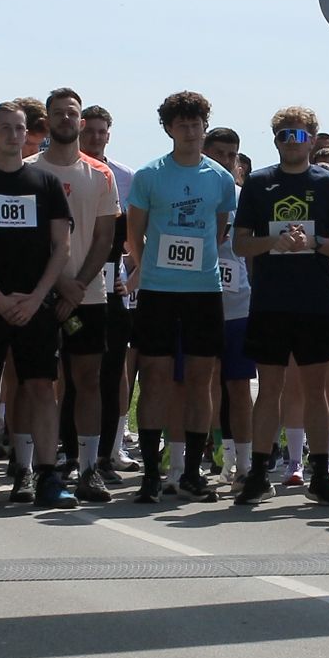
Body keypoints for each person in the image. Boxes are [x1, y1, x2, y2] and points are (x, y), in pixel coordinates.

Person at [232, 105, 329, 505]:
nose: (291, 141)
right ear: (275, 140)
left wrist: (315, 243)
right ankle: (258, 472)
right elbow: (240, 243)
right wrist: (273, 241)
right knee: (270, 389)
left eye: (299, 135)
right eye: (284, 134)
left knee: (317, 390)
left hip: (316, 302)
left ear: (312, 140)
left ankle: (320, 472)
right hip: (270, 301)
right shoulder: (259, 182)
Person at [0, 101, 73, 510]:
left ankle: (47, 475)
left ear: (27, 133)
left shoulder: (46, 183)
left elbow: (61, 247)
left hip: (35, 303)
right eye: (4, 128)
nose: (12, 134)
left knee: (41, 387)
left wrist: (38, 297)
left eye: (18, 128)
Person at [123, 90, 233, 504]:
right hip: (158, 290)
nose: (190, 132)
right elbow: (134, 233)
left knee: (201, 379)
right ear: (169, 129)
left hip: (204, 290)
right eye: (181, 125)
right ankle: (152, 474)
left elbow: (219, 230)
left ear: (205, 126)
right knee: (155, 377)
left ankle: (191, 472)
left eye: (196, 124)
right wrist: (148, 268)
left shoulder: (220, 178)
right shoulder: (150, 175)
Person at [31, 88, 118, 504]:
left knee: (88, 381)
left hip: (89, 295)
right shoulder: (28, 170)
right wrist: (57, 283)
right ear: (46, 120)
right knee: (36, 383)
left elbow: (104, 238)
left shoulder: (100, 174)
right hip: (38, 295)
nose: (65, 118)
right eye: (58, 113)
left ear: (81, 122)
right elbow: (26, 239)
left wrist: (77, 284)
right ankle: (31, 468)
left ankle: (88, 468)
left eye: (72, 113)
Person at [79, 105, 139, 480]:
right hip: (73, 286)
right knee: (76, 374)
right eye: (90, 131)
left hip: (113, 289)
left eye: (102, 132)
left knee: (114, 372)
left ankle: (110, 451)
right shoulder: (67, 171)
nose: (96, 138)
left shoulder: (125, 176)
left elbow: (134, 237)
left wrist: (130, 280)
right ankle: (72, 453)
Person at [202, 128, 257, 493]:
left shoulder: (245, 197)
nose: (225, 161)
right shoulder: (192, 192)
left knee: (239, 385)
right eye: (218, 153)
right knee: (201, 382)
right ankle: (210, 456)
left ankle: (245, 464)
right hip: (198, 302)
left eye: (231, 155)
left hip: (239, 305)